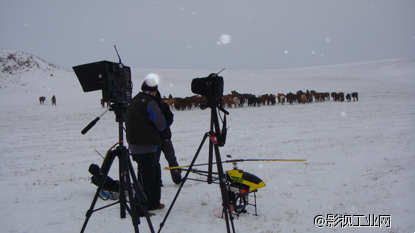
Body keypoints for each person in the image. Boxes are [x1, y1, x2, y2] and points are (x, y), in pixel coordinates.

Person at [125, 77, 166, 216]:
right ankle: (139, 209)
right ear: (154, 91)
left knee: (153, 173)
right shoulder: (149, 102)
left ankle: (152, 203)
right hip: (145, 145)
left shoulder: (136, 99)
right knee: (146, 177)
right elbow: (161, 123)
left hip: (137, 144)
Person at [155, 96, 182, 185]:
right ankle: (157, 181)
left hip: (165, 138)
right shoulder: (150, 107)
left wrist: (164, 126)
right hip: (154, 139)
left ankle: (177, 178)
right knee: (155, 161)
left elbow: (170, 117)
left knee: (171, 158)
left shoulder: (163, 106)